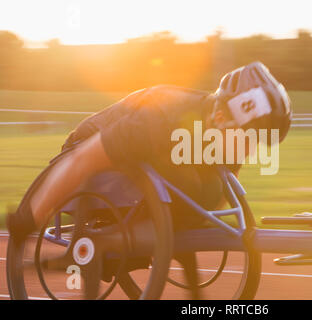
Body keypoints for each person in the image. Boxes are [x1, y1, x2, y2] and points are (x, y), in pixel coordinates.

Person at [6, 61, 292, 244]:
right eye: (247, 137)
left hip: (151, 157)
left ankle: (132, 239)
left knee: (206, 189)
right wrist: (29, 220)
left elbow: (215, 202)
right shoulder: (160, 119)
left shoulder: (223, 135)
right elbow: (81, 160)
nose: (250, 150)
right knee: (190, 184)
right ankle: (116, 241)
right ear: (220, 117)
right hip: (90, 145)